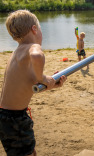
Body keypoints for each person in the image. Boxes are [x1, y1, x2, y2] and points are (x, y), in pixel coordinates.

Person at [0, 9, 67, 156]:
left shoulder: (17, 53)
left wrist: (49, 84)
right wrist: (42, 78)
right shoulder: (32, 47)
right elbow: (37, 56)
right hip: (16, 118)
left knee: (28, 152)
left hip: (5, 116)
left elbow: (25, 86)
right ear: (34, 29)